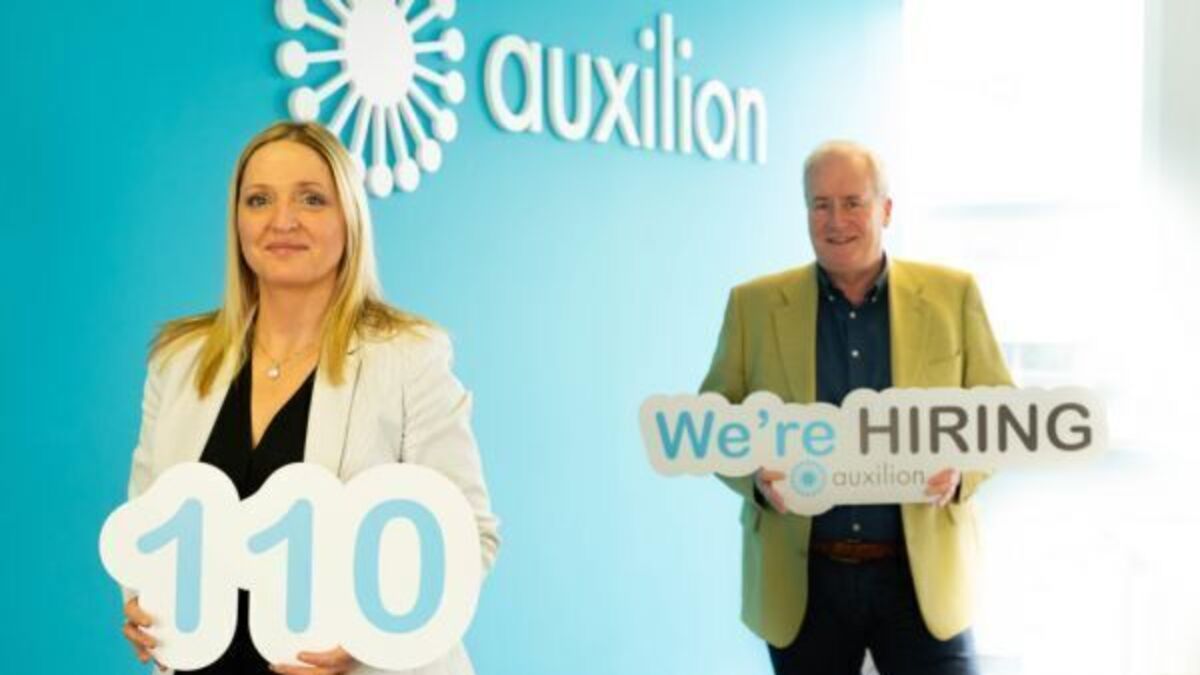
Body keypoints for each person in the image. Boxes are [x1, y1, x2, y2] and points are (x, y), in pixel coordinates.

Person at [118, 121, 500, 675]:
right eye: (259, 200)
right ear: (237, 221)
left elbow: (468, 539)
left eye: (311, 199)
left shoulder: (408, 358)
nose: (282, 221)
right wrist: (142, 601)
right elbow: (147, 525)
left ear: (350, 218)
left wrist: (377, 642)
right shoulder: (179, 361)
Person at [701, 140, 1012, 675]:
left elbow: (999, 408)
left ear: (885, 210)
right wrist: (752, 475)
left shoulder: (953, 294)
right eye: (820, 204)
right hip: (804, 581)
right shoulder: (752, 304)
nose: (836, 220)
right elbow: (713, 418)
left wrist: (964, 470)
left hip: (922, 576)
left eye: (853, 202)